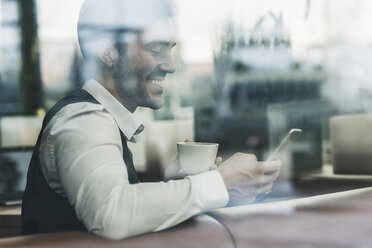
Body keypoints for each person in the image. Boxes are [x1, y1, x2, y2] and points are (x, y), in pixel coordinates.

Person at [21, 0, 281, 240]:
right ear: (108, 51)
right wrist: (220, 184)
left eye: (170, 50)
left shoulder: (100, 119)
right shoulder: (84, 119)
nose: (170, 65)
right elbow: (112, 214)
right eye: (155, 50)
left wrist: (173, 188)